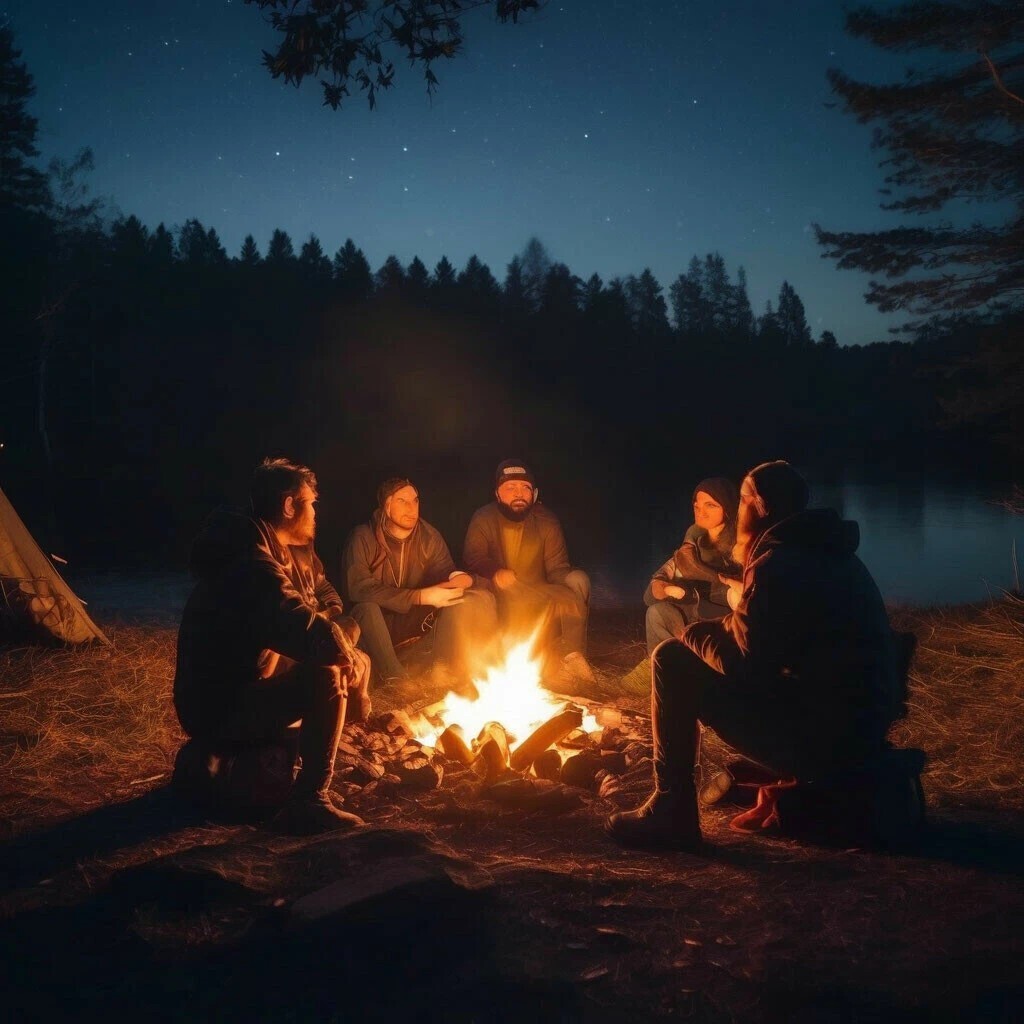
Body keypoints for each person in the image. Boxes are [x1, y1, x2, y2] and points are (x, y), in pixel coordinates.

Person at [607, 460, 901, 851]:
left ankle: (671, 811)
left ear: (757, 506)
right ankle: (676, 805)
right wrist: (714, 631)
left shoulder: (779, 563)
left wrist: (692, 632)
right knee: (690, 653)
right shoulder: (828, 553)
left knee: (672, 661)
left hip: (829, 740)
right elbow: (761, 638)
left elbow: (743, 664)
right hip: (858, 725)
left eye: (742, 499)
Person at [174, 457, 371, 833]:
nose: (315, 511)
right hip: (218, 706)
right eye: (310, 502)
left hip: (228, 693)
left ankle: (270, 764)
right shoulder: (249, 563)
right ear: (288, 505)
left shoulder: (260, 549)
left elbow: (293, 617)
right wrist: (343, 653)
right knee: (326, 676)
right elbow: (298, 620)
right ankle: (310, 801)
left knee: (321, 658)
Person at [343, 477, 498, 686]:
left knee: (465, 599)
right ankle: (395, 678)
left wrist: (458, 579)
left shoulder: (428, 536)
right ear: (386, 506)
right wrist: (420, 596)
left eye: (415, 501)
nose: (411, 507)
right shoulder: (363, 536)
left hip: (411, 621)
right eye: (402, 501)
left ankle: (440, 668)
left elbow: (444, 571)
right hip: (375, 626)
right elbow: (358, 588)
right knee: (366, 609)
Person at [463, 459, 596, 684]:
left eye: (525, 488)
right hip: (498, 596)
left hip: (535, 594)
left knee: (578, 580)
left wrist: (566, 587)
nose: (519, 493)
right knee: (477, 597)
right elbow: (472, 557)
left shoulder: (546, 520)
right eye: (511, 488)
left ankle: (572, 658)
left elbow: (557, 568)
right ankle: (485, 659)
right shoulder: (483, 517)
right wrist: (496, 572)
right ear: (497, 493)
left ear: (534, 494)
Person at [643, 477, 742, 657]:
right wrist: (663, 587)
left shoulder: (740, 546)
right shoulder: (691, 545)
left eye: (710, 505)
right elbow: (650, 595)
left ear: (727, 508)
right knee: (657, 613)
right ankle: (666, 671)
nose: (700, 512)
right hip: (694, 617)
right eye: (697, 506)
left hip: (724, 625)